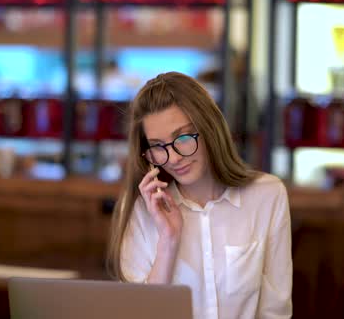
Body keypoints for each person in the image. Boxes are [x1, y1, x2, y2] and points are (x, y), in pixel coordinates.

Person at [107, 72, 292, 319]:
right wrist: (168, 240)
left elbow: (275, 312)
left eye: (182, 138)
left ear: (209, 129)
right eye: (158, 146)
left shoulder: (267, 196)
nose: (173, 158)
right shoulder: (141, 210)